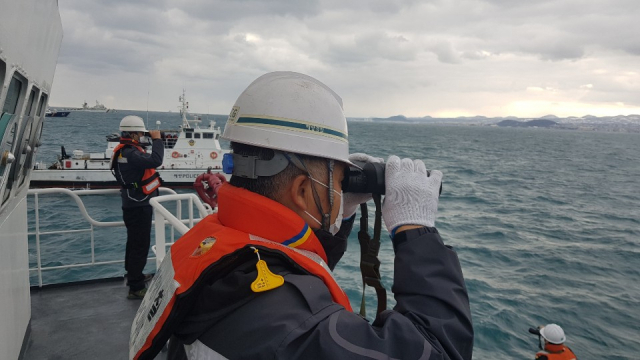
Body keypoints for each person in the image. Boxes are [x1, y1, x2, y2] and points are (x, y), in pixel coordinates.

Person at [130, 72, 473, 359]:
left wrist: (341, 212)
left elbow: (290, 266)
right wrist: (416, 231)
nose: (341, 186)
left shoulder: (216, 244)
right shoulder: (295, 329)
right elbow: (438, 349)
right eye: (338, 178)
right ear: (301, 192)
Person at [111, 115, 163, 299]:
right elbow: (155, 160)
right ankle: (136, 287)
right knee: (139, 245)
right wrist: (157, 139)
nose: (142, 136)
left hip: (131, 201)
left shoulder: (125, 151)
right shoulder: (131, 153)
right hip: (138, 204)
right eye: (140, 133)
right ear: (133, 134)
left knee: (133, 243)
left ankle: (135, 276)